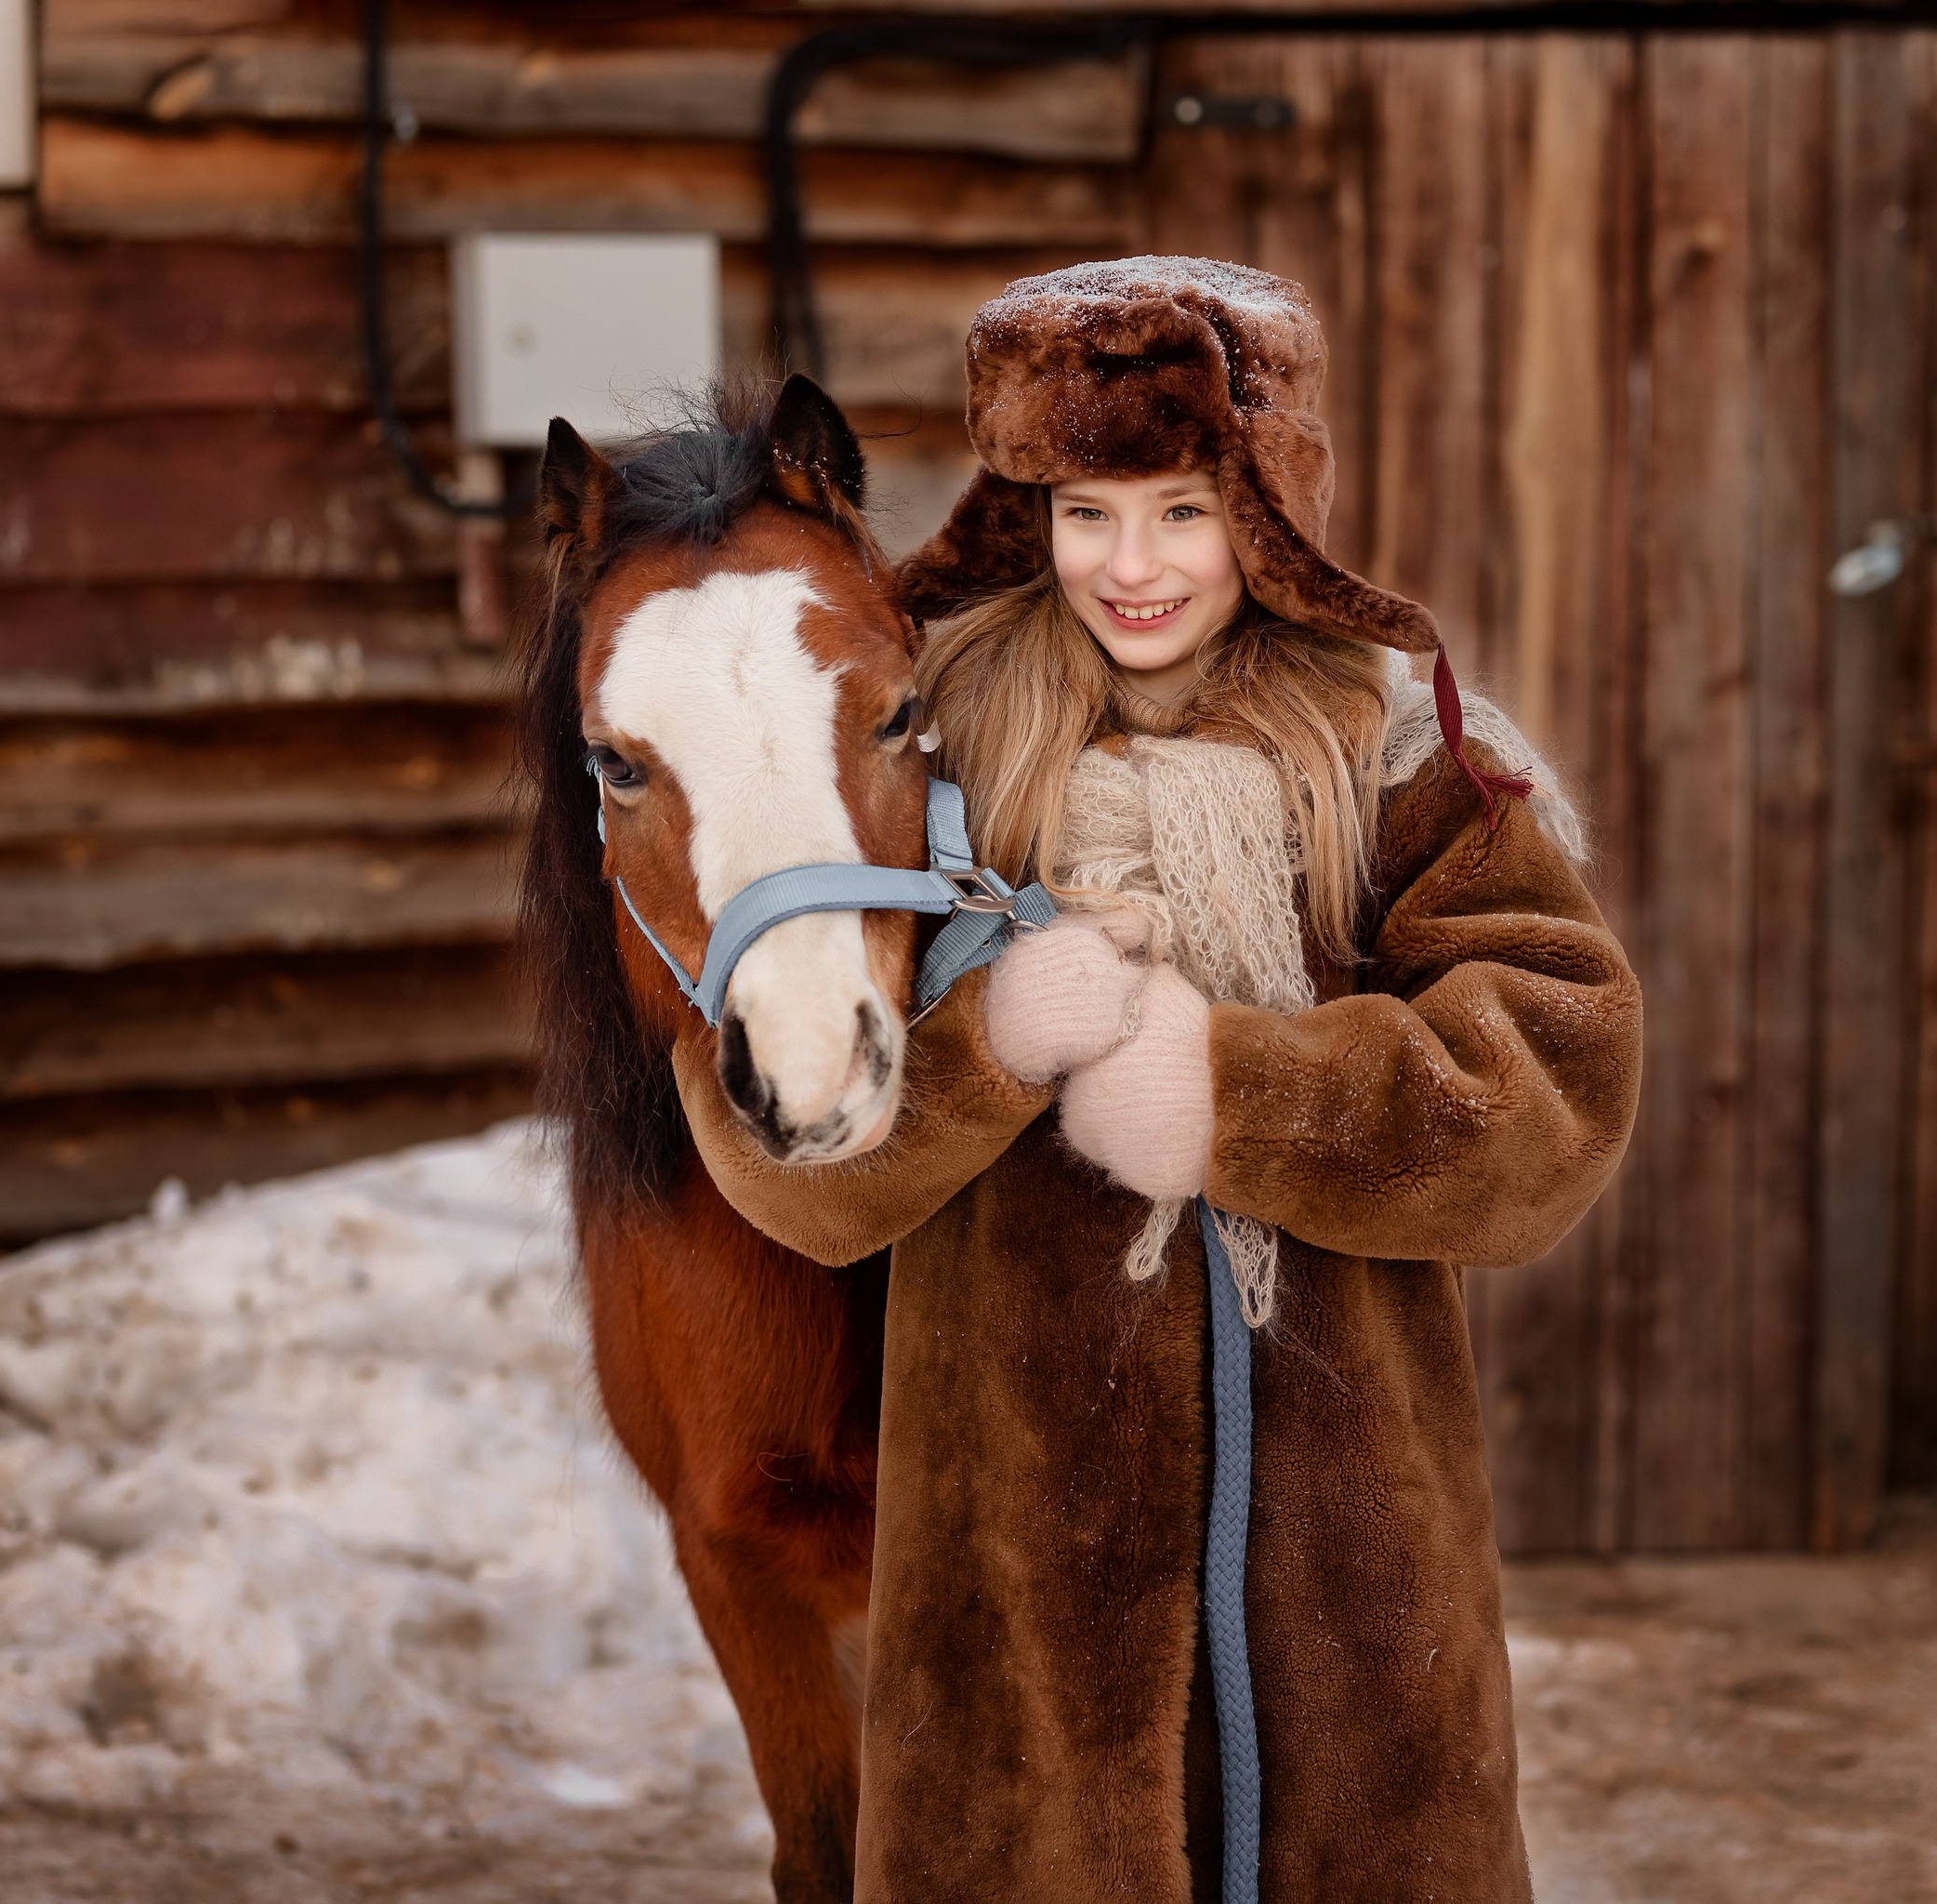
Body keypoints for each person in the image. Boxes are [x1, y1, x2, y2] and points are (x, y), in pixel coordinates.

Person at [673, 258, 1642, 1903]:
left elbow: (1561, 1076)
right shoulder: (934, 755)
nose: (1132, 567)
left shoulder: (1399, 757)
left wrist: (1238, 1096)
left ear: (1264, 509)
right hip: (1013, 1583)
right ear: (1025, 512)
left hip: (1353, 1580)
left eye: (1184, 510)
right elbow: (781, 1147)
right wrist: (989, 1052)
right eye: (1087, 511)